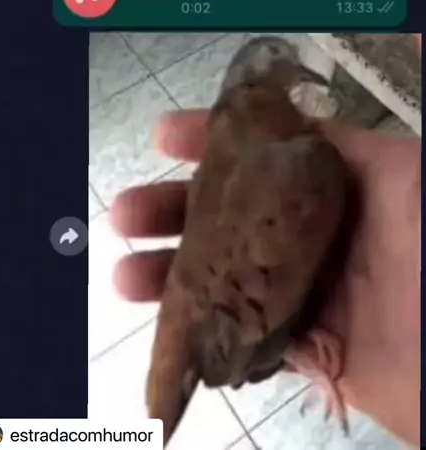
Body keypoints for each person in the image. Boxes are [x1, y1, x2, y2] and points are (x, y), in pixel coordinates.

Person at [110, 35, 421, 447]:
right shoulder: (306, 162)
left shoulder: (269, 148)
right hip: (226, 330)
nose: (295, 66)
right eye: (279, 57)